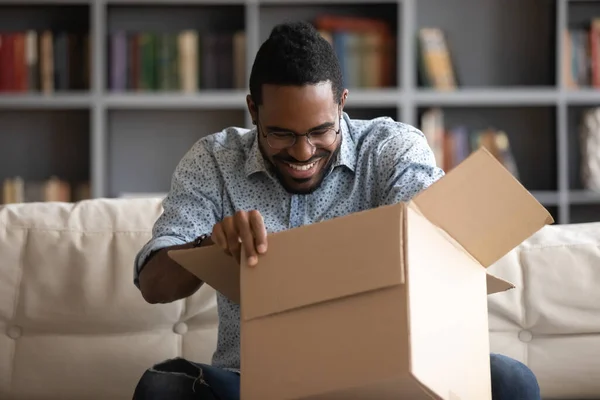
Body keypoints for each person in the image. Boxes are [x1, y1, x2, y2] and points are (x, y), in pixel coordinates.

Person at [131, 20, 541, 400]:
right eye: (281, 134)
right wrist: (212, 246)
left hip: (383, 378)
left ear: (342, 104)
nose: (303, 152)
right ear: (253, 110)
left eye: (320, 130)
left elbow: (436, 233)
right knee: (163, 387)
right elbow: (154, 285)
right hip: (254, 384)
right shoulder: (214, 160)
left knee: (511, 380)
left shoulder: (390, 149)